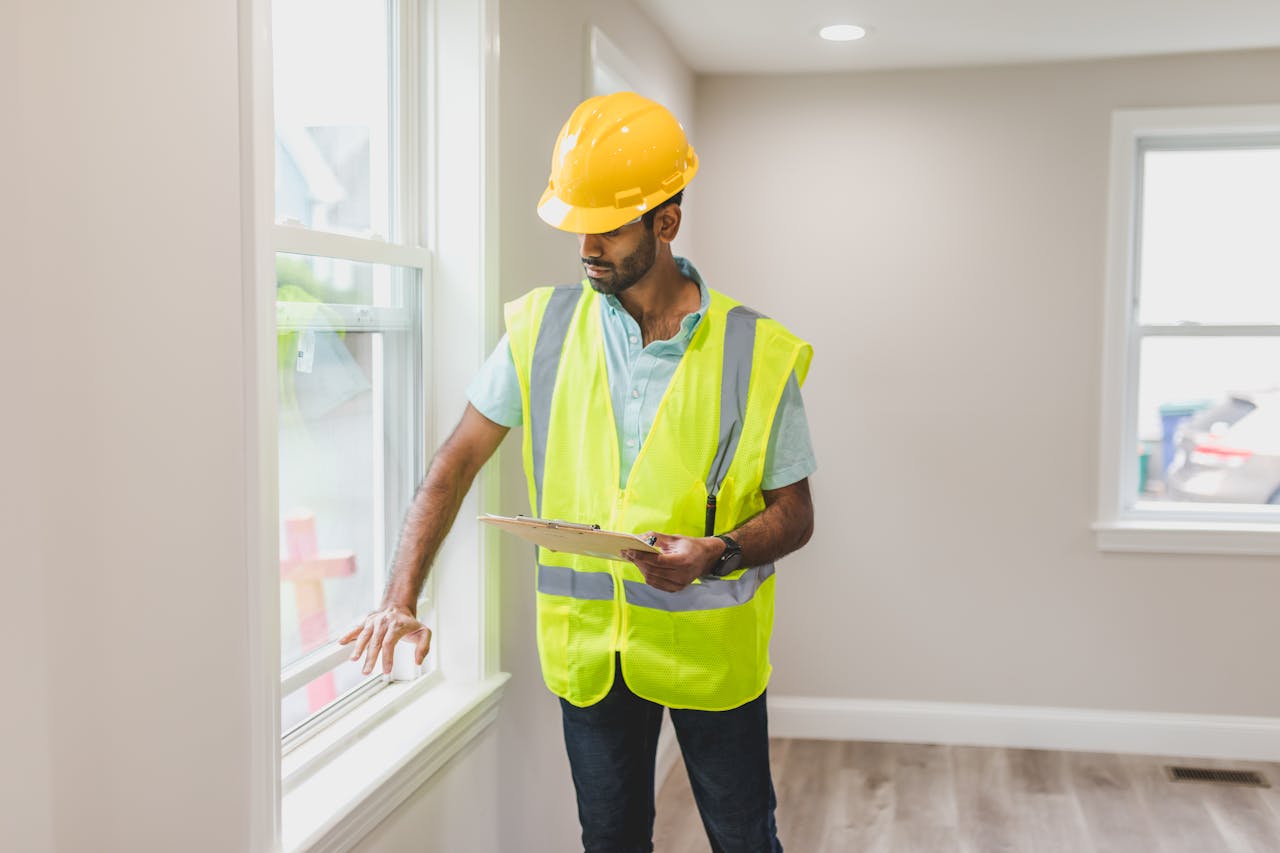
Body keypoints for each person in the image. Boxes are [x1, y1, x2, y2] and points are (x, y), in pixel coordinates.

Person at [341, 91, 816, 853]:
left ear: (667, 222)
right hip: (591, 655)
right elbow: (454, 463)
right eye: (578, 225)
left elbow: (796, 511)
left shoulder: (757, 351)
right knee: (610, 842)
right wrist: (400, 597)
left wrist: (716, 552)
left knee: (744, 841)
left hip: (710, 658)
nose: (588, 245)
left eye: (609, 225)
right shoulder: (542, 329)